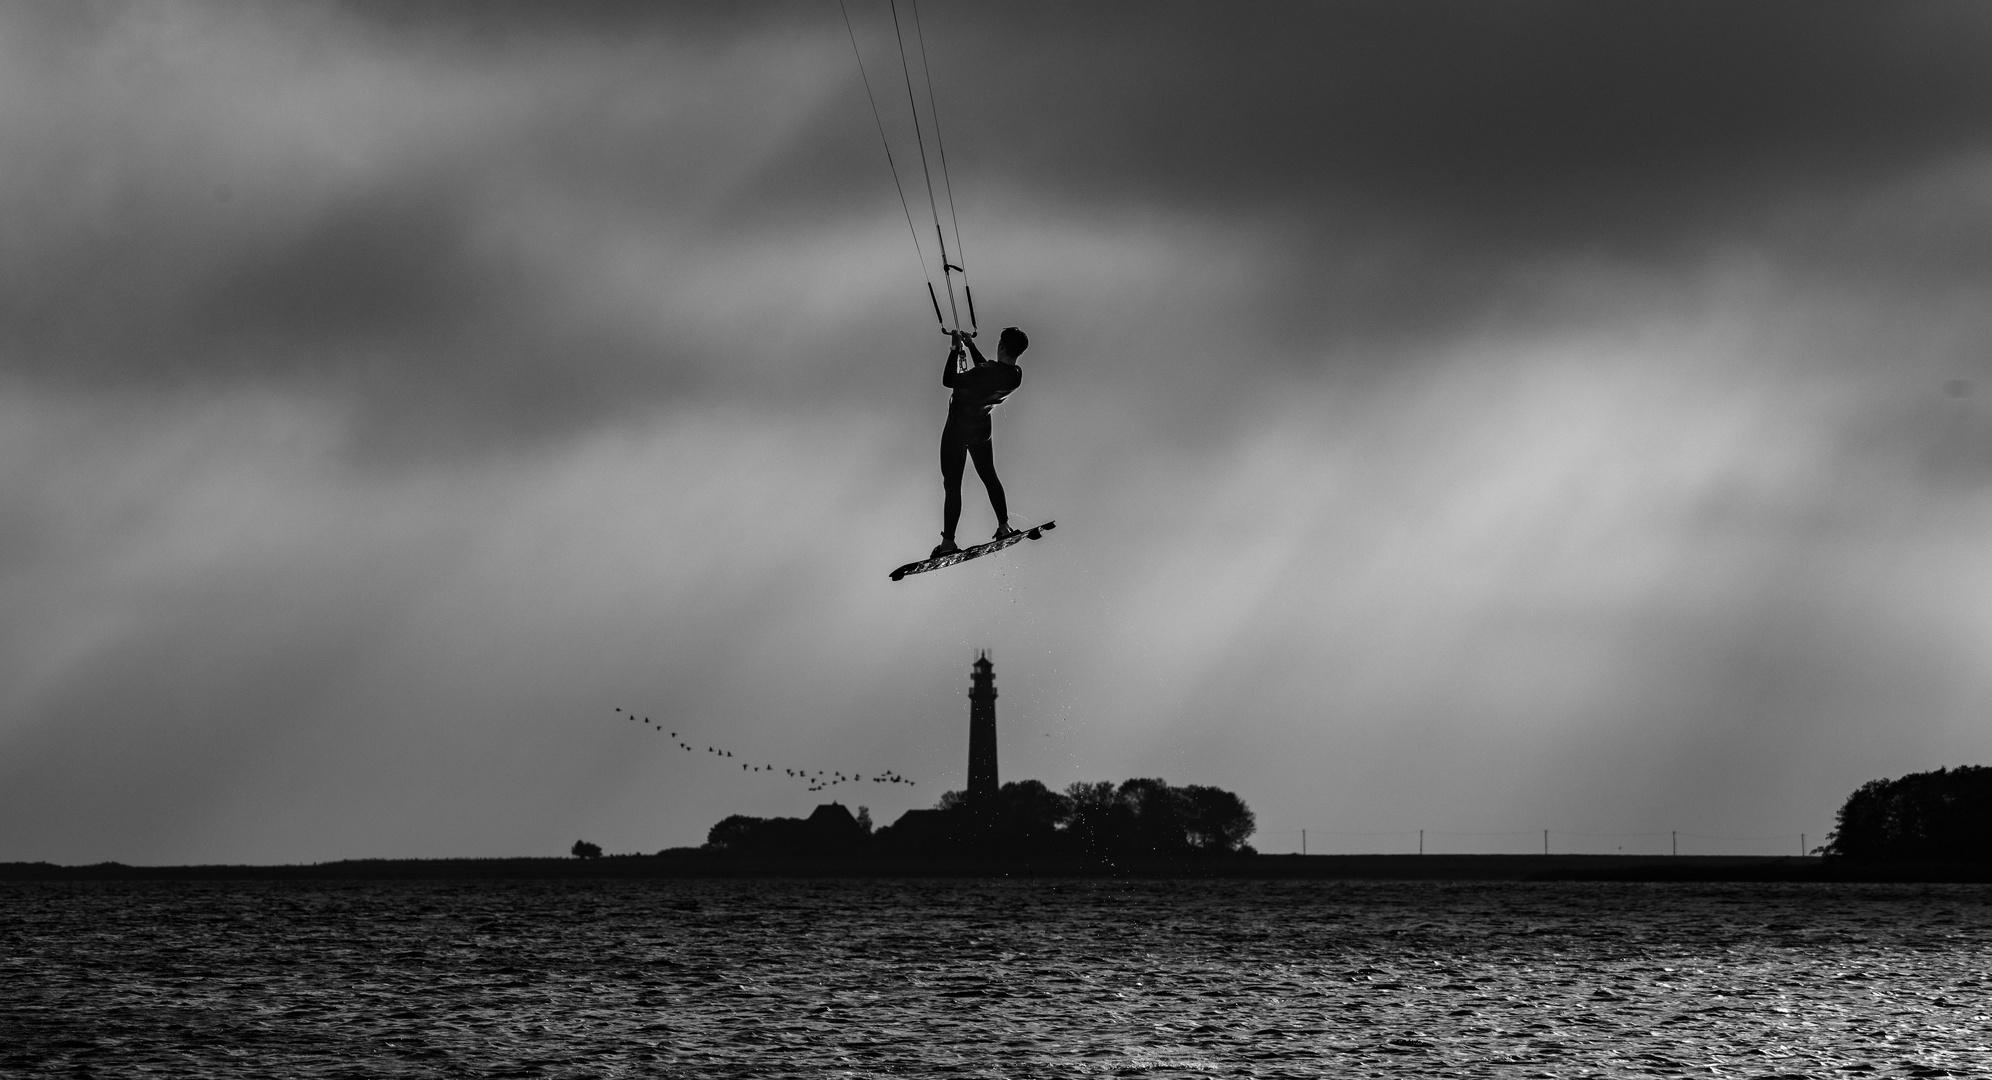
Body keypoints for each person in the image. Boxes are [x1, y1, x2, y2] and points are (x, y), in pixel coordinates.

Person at [933, 325, 1028, 557]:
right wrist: (972, 347)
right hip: (981, 430)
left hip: (958, 429)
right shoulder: (1015, 375)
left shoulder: (987, 371)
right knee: (989, 476)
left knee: (952, 485)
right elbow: (988, 373)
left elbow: (949, 380)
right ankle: (1004, 526)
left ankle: (948, 543)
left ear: (1001, 345)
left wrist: (955, 347)